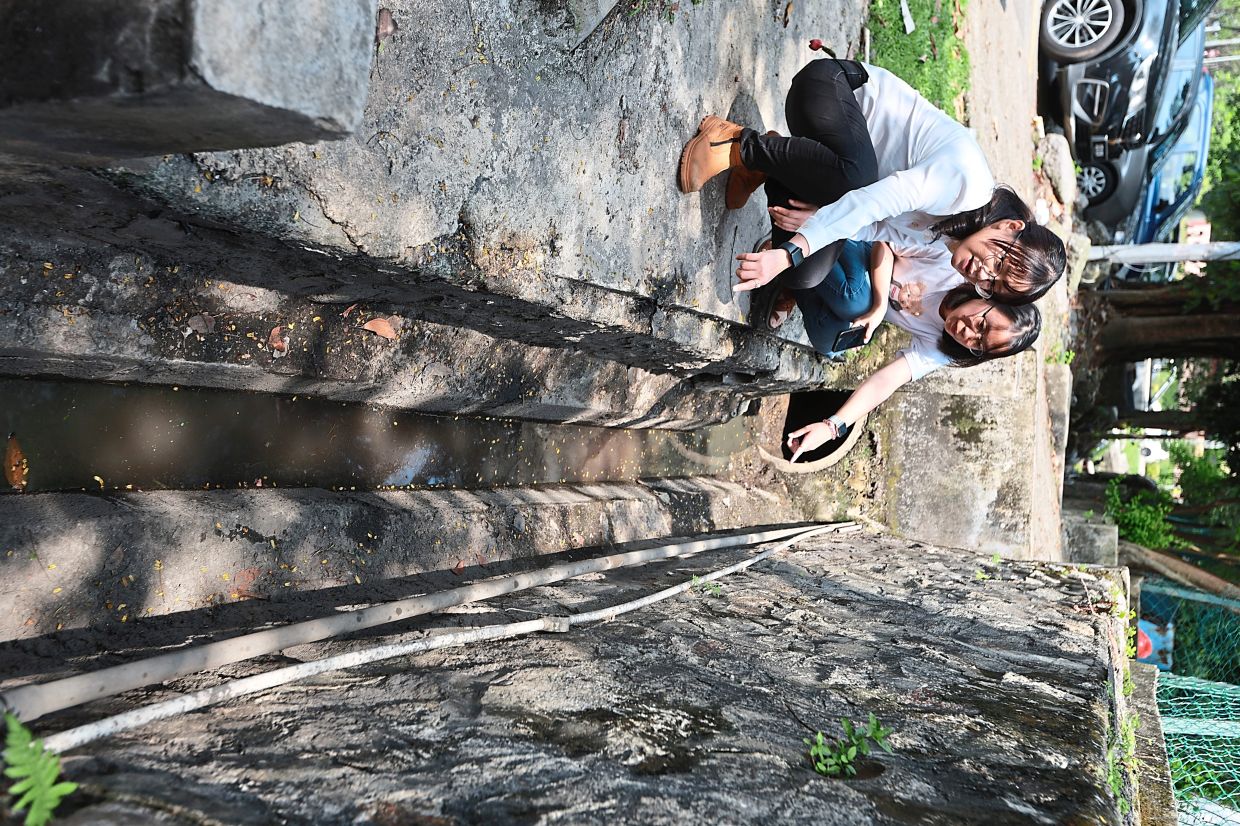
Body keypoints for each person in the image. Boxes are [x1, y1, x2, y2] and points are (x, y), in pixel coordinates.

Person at [677, 54, 1066, 315]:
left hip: (837, 165)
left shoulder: (947, 236)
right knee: (851, 189)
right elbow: (876, 200)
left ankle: (774, 165)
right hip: (830, 92)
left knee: (805, 275)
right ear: (1011, 227)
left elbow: (875, 227)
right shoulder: (968, 184)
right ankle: (737, 146)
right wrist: (790, 252)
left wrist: (814, 224)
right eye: (1000, 262)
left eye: (992, 285)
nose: (983, 272)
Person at [781, 239, 1042, 463]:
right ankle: (794, 251)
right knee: (856, 301)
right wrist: (881, 304)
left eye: (979, 344)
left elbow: (887, 381)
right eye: (982, 324)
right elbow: (882, 242)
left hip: (860, 292)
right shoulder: (952, 266)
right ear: (987, 296)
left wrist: (832, 428)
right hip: (859, 248)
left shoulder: (946, 347)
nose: (969, 333)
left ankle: (796, 282)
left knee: (833, 343)